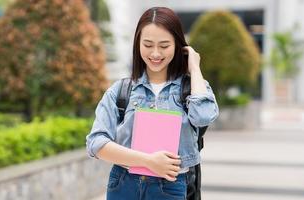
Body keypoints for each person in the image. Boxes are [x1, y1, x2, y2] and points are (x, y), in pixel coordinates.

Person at [86, 7, 219, 200]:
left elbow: (203, 117)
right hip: (123, 183)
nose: (155, 53)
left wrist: (195, 68)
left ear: (177, 45)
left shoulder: (193, 88)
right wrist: (148, 161)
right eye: (148, 44)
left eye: (164, 46)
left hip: (170, 186)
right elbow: (96, 143)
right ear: (137, 44)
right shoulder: (121, 90)